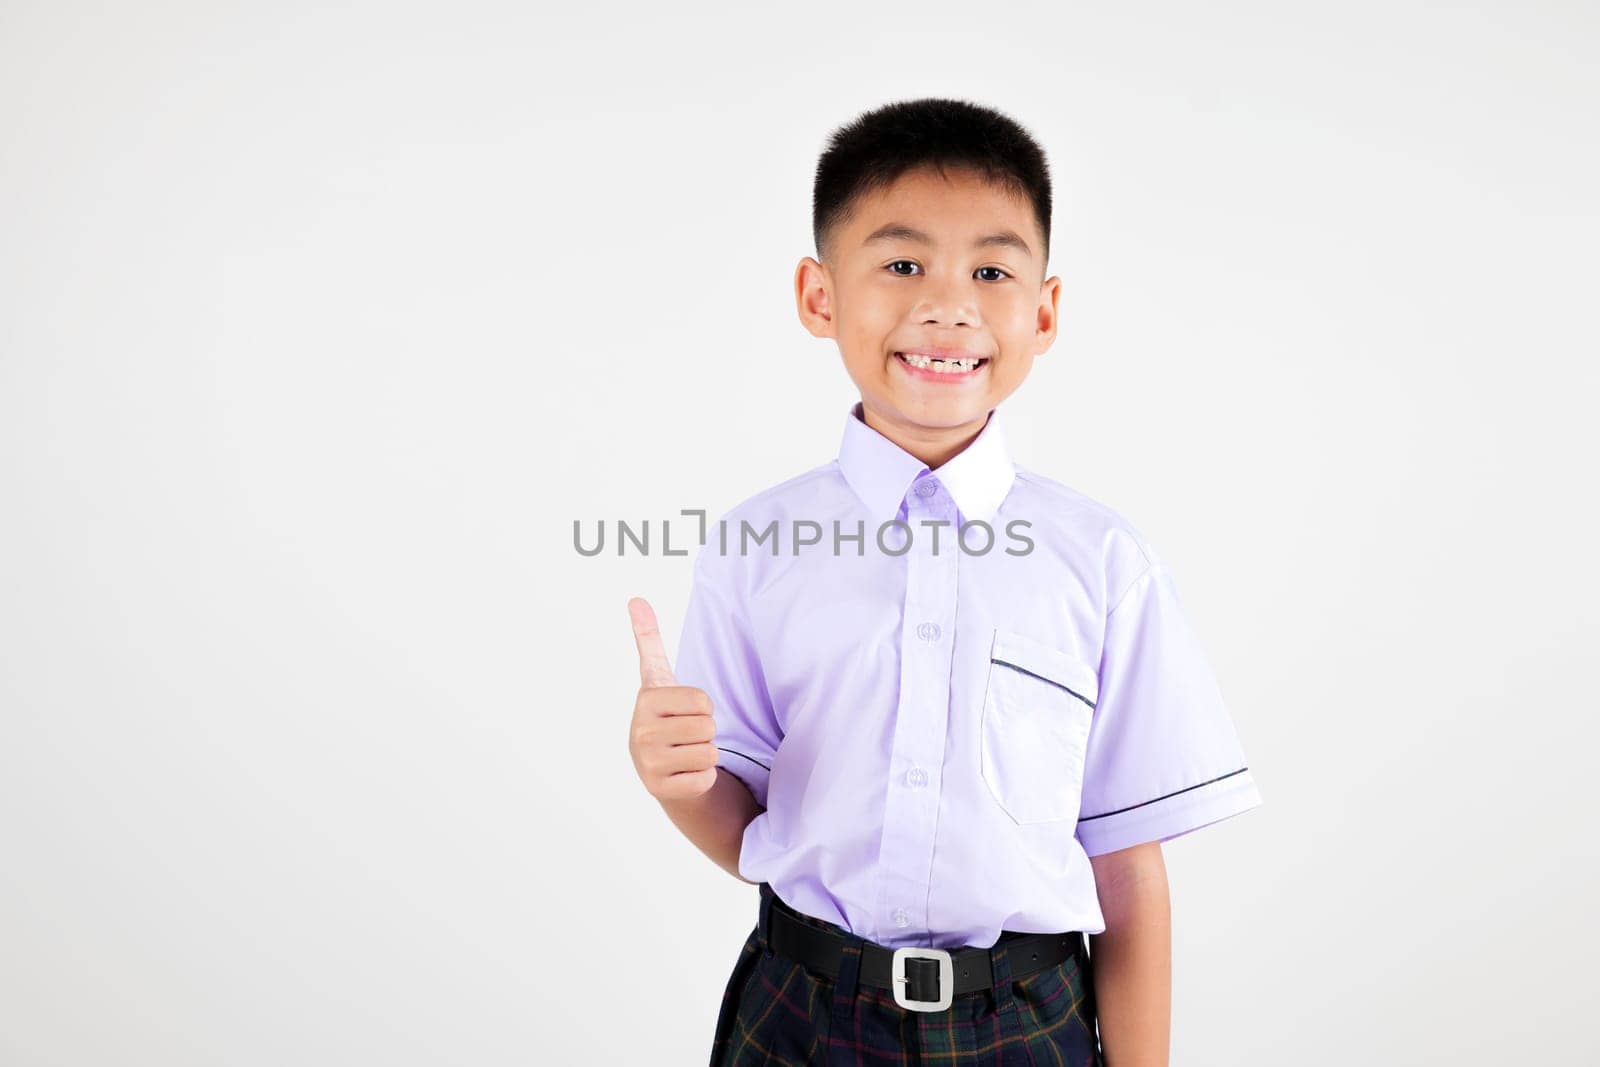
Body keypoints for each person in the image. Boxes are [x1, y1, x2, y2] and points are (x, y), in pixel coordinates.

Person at [626, 97, 1263, 1066]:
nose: (948, 303)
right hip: (798, 1010)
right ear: (819, 295)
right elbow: (750, 820)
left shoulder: (1101, 561)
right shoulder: (758, 543)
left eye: (992, 270)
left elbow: (1127, 871)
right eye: (901, 263)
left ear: (1042, 311)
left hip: (1026, 1019)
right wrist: (676, 782)